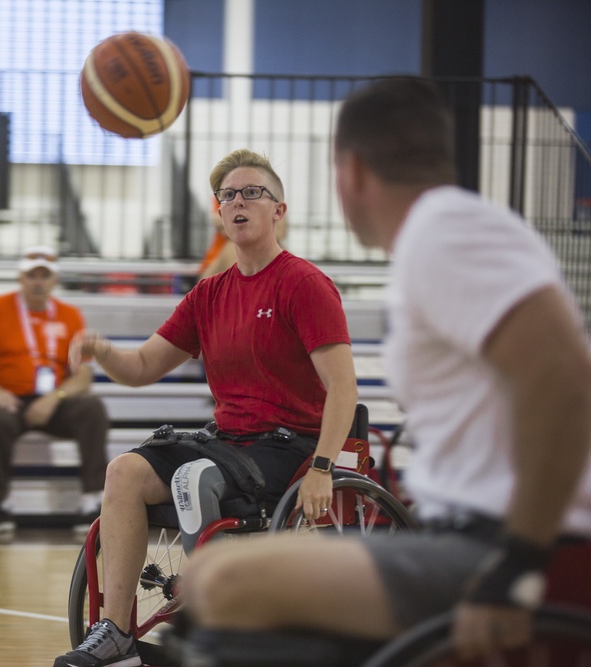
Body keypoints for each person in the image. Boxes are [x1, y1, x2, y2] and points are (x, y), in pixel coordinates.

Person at [176, 77, 591, 666]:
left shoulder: (444, 236)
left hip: (512, 551)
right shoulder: (446, 233)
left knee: (221, 583)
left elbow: (568, 384)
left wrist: (516, 567)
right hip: (474, 535)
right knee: (220, 582)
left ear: (351, 172)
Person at [54, 148, 358, 667]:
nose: (238, 201)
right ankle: (118, 631)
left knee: (193, 477)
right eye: (228, 195)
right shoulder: (208, 294)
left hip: (292, 446)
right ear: (220, 213)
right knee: (125, 471)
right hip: (231, 445)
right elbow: (144, 367)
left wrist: (323, 468)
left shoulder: (304, 284)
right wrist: (104, 351)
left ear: (278, 210)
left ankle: (208, 624)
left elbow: (343, 389)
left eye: (251, 192)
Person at [0, 246, 109, 534]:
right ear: (21, 278)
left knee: (92, 408)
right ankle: (1, 505)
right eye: (32, 275)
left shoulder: (70, 315)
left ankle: (92, 502)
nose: (38, 281)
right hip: (7, 398)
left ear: (54, 280)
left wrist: (55, 398)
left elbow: (84, 375)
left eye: (44, 275)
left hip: (52, 399)